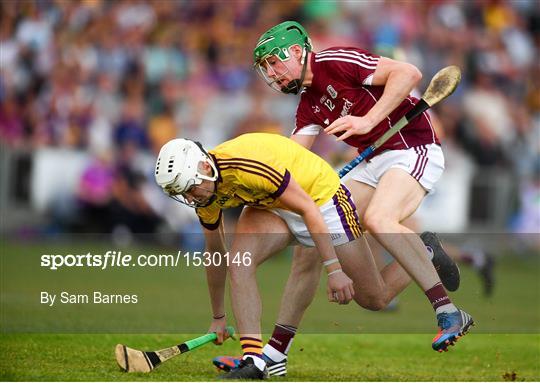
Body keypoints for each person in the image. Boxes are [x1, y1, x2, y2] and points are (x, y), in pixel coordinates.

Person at [212, 21, 474, 376]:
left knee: (379, 219)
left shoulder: (334, 61)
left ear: (297, 52)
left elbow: (407, 73)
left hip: (413, 146)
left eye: (274, 62)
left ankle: (447, 311)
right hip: (370, 161)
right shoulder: (307, 106)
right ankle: (274, 354)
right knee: (321, 250)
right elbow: (292, 159)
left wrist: (368, 120)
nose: (271, 73)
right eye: (266, 68)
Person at [154, 133, 456, 379]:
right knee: (239, 262)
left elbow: (309, 210)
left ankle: (426, 252)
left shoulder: (247, 166)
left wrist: (334, 269)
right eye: (184, 194)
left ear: (204, 167)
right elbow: (215, 254)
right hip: (272, 206)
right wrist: (218, 317)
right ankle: (254, 360)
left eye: (191, 188)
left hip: (322, 201)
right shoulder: (204, 194)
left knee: (375, 298)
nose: (191, 198)